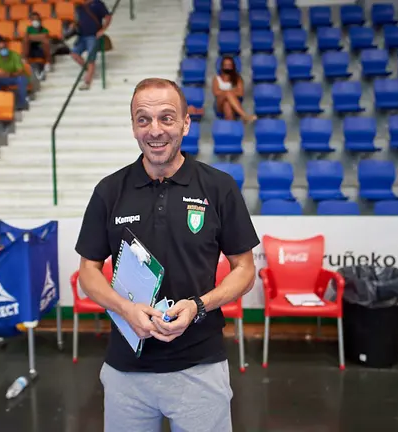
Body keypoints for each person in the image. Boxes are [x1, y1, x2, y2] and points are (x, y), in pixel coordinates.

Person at [75, 78, 259, 432]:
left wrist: (198, 306)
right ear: (132, 127)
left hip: (200, 368)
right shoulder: (109, 191)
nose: (155, 130)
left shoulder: (219, 187)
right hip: (126, 371)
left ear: (186, 124)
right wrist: (126, 309)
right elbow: (88, 272)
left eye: (167, 118)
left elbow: (245, 269)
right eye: (143, 119)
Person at [70, 0, 112, 90]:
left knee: (90, 58)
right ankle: (90, 71)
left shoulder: (98, 3)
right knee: (74, 54)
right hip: (81, 35)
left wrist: (103, 30)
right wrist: (74, 25)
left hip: (93, 36)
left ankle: (87, 82)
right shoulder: (79, 5)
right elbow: (78, 19)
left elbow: (108, 17)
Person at [213, 56, 257, 123]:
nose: (227, 67)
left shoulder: (238, 78)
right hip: (219, 104)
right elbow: (216, 92)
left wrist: (226, 93)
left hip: (233, 104)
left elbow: (240, 93)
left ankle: (230, 128)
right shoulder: (217, 79)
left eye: (229, 65)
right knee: (227, 93)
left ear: (233, 66)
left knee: (227, 105)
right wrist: (230, 92)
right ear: (222, 66)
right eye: (225, 65)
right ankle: (244, 115)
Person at [0, 40, 29, 111]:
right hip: (6, 78)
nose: (2, 50)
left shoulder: (15, 55)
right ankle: (1, 101)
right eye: (0, 48)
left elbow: (20, 71)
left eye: (3, 47)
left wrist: (9, 74)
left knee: (21, 79)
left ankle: (22, 104)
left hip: (16, 77)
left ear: (7, 47)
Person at [23, 11, 53, 80]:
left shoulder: (44, 29)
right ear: (31, 20)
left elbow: (45, 37)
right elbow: (26, 38)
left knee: (46, 41)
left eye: (36, 19)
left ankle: (47, 63)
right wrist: (39, 37)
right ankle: (24, 60)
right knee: (25, 41)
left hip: (41, 49)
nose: (35, 21)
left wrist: (31, 37)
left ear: (39, 20)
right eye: (33, 19)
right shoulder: (29, 29)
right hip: (31, 48)